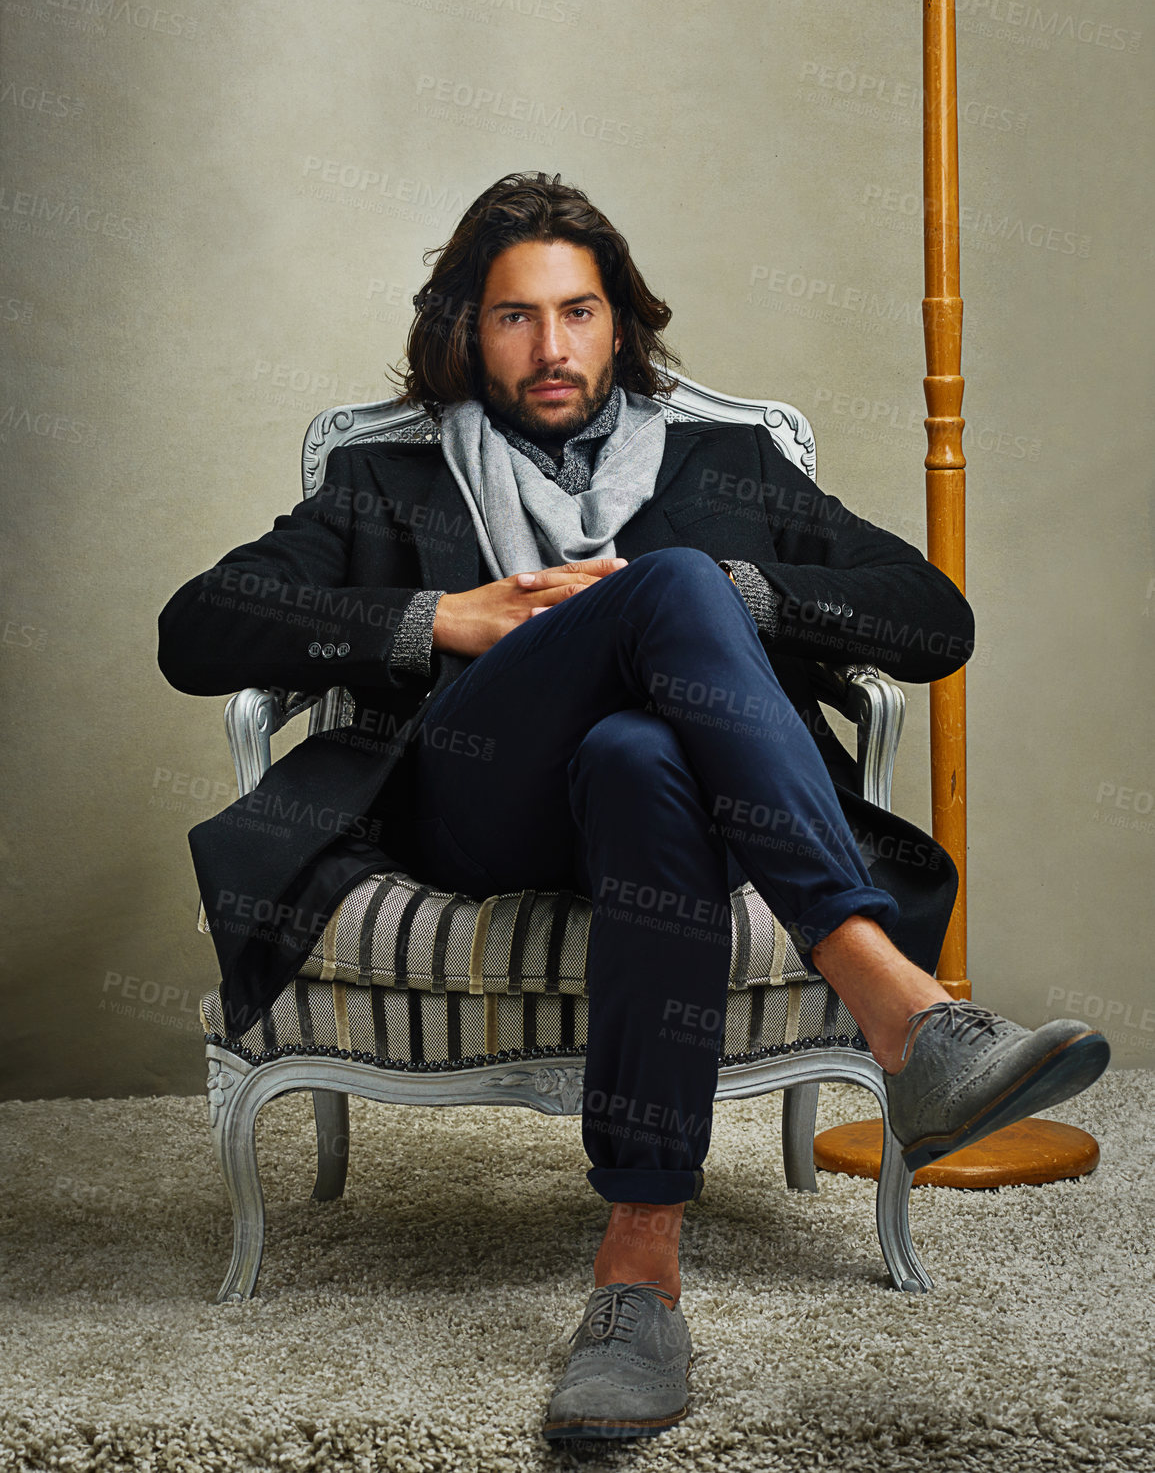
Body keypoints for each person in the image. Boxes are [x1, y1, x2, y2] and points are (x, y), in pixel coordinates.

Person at [158, 171, 1109, 1444]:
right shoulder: (389, 483)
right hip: (471, 800)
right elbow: (196, 628)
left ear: (623, 323)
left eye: (580, 312)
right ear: (464, 331)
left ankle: (638, 1278)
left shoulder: (730, 464)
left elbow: (934, 619)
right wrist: (434, 617)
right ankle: (903, 1011)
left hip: (675, 817)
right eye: (513, 318)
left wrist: (744, 594)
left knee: (639, 751)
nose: (552, 349)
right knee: (663, 594)